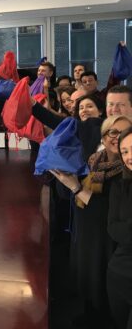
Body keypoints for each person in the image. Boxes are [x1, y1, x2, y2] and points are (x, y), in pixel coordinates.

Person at [51, 115, 132, 328]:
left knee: (104, 290)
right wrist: (66, 181)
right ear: (104, 138)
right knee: (87, 281)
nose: (118, 137)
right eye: (112, 132)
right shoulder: (93, 161)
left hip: (107, 242)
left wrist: (76, 187)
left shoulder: (125, 175)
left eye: (124, 133)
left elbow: (105, 212)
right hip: (85, 232)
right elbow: (71, 195)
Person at [107, 127, 132, 329]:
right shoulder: (120, 185)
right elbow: (113, 229)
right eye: (124, 152)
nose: (129, 156)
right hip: (119, 274)